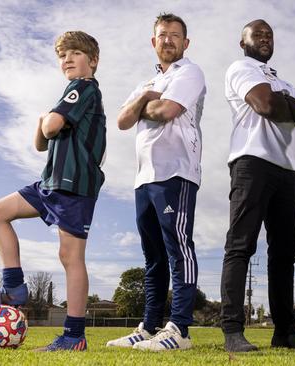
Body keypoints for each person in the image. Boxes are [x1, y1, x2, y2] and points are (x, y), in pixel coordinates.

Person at [0, 31, 106, 352]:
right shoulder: (70, 94)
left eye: (75, 53)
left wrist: (47, 119)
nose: (68, 59)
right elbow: (40, 142)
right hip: (50, 183)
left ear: (93, 61)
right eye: (63, 55)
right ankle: (14, 288)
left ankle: (74, 336)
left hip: (74, 186)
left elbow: (50, 127)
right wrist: (45, 121)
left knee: (70, 257)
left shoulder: (83, 88)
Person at [220, 19, 295, 352]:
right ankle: (233, 331)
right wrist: (287, 106)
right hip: (251, 162)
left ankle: (285, 332)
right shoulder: (240, 68)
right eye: (258, 34)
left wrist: (284, 101)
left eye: (269, 35)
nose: (265, 38)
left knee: (284, 254)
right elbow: (265, 105)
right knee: (241, 246)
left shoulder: (282, 81)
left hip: (286, 170)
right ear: (243, 42)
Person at [106, 13, 205, 352]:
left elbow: (167, 110)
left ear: (185, 42)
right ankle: (149, 327)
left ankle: (179, 329)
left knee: (178, 248)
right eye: (162, 35)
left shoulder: (190, 72)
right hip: (143, 177)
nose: (168, 40)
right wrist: (146, 97)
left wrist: (145, 104)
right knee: (153, 257)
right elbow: (122, 120)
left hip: (176, 172)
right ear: (153, 41)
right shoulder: (146, 83)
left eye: (175, 35)